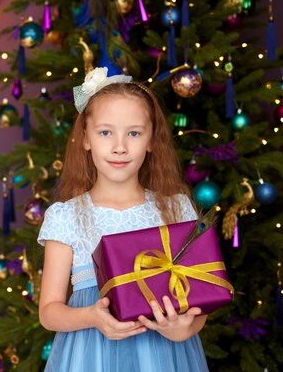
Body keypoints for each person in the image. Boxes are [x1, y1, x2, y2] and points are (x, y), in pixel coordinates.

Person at [37, 67, 209, 372]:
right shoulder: (66, 217)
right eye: (105, 132)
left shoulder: (176, 209)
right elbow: (49, 312)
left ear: (151, 140)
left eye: (134, 133)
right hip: (89, 358)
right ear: (86, 139)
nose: (120, 146)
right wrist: (92, 316)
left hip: (165, 357)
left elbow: (199, 299)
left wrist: (186, 328)